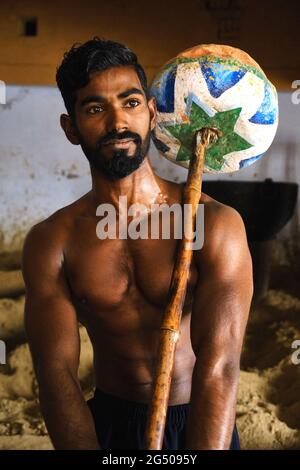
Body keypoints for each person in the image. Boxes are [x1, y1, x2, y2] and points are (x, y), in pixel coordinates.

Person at [22, 38, 253, 450]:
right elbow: (56, 377)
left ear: (150, 113)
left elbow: (220, 368)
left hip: (200, 420)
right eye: (95, 109)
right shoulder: (52, 242)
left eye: (130, 103)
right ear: (70, 127)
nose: (117, 123)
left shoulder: (214, 224)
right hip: (109, 426)